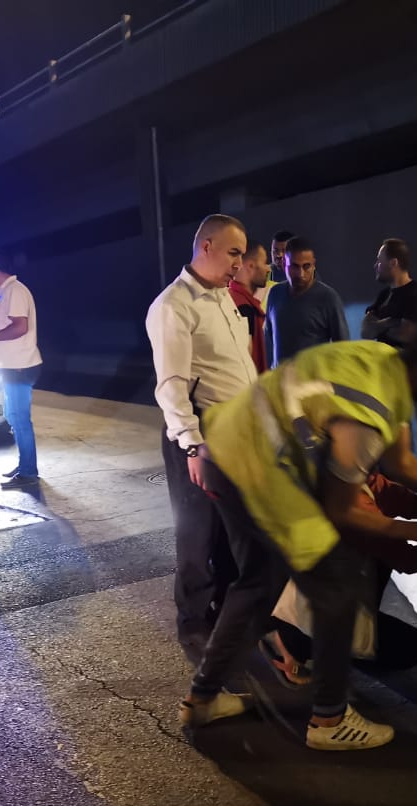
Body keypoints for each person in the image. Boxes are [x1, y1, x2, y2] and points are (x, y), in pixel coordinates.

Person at [179, 317, 417, 751]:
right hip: (261, 470)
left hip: (226, 448)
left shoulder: (384, 366)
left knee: (255, 584)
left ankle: (202, 699)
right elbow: (343, 513)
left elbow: (402, 466)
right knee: (336, 585)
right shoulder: (367, 417)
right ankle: (329, 720)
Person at [261, 468, 417, 686]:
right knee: (410, 649)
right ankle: (297, 643)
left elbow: (416, 505)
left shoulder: (351, 476)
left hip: (306, 592)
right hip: (313, 608)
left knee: (376, 558)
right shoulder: (350, 502)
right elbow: (409, 560)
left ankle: (297, 634)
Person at [146, 214, 258, 659]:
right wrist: (193, 445)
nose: (239, 263)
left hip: (236, 431)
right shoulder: (174, 305)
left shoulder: (223, 298)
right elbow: (171, 386)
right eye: (233, 252)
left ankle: (228, 615)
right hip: (200, 432)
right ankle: (193, 624)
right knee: (196, 533)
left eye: (242, 254)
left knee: (233, 532)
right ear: (206, 246)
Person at [0, 250, 43, 489]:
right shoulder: (5, 291)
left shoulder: (15, 291)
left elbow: (20, 327)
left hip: (19, 367)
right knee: (12, 415)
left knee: (20, 419)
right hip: (11, 366)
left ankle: (28, 471)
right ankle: (25, 463)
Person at [264, 236, 349, 367]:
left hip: (315, 379)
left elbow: (343, 348)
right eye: (294, 266)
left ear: (314, 264)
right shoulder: (275, 293)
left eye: (306, 266)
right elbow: (268, 341)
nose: (300, 274)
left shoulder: (328, 298)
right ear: (284, 263)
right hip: (279, 378)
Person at [361, 238, 417, 347]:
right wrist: (390, 322)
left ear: (393, 263)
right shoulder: (384, 295)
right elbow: (366, 332)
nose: (375, 265)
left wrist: (378, 325)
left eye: (379, 260)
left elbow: (406, 334)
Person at [229, 241, 272, 373]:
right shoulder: (243, 308)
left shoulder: (231, 300)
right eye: (264, 262)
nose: (268, 269)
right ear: (251, 266)